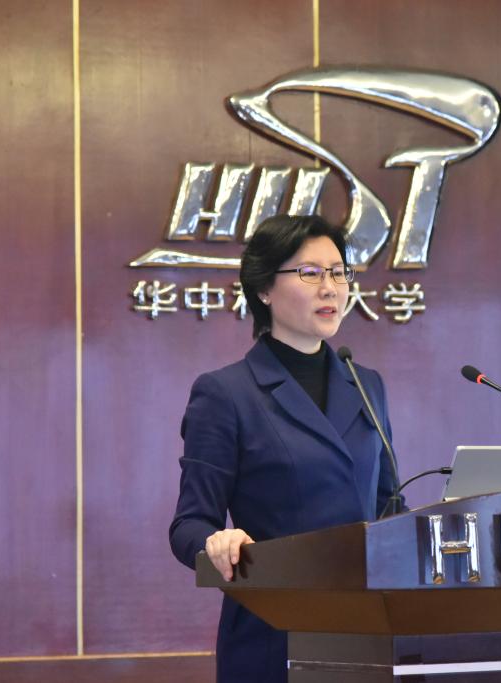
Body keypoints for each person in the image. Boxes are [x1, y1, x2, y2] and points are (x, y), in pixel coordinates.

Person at [168, 214, 401, 683]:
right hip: (275, 635)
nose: (330, 288)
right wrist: (219, 544)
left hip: (367, 632)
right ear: (264, 289)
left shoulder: (365, 384)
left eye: (338, 272)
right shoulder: (226, 393)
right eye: (310, 273)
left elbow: (389, 507)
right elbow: (189, 525)